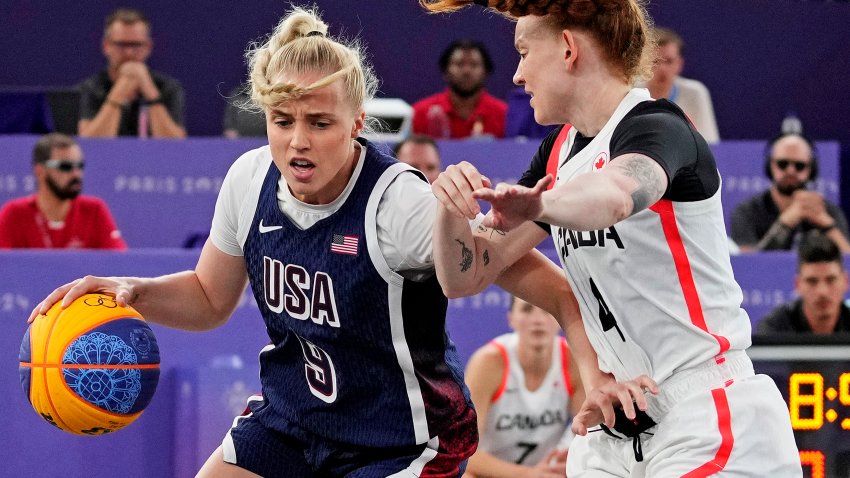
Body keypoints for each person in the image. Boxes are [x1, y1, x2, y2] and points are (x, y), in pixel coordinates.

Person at [28, 7, 600, 477]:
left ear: (356, 122)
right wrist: (135, 289)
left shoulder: (395, 202)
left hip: (399, 439)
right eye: (282, 120)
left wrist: (595, 373)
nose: (298, 141)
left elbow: (540, 281)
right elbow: (208, 298)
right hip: (294, 419)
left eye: (320, 123)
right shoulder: (249, 179)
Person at [421, 0, 802, 476]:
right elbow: (465, 276)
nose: (517, 76)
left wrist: (541, 206)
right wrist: (449, 208)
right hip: (614, 423)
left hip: (706, 408)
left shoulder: (660, 126)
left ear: (567, 48)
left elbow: (616, 195)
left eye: (523, 52)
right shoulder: (558, 153)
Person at [464, 296, 584, 478]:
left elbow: (587, 432)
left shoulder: (574, 360)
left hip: (545, 473)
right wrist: (528, 474)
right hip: (492, 473)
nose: (537, 320)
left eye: (547, 310)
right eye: (527, 309)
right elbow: (465, 452)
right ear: (511, 318)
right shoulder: (488, 362)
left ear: (560, 319)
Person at [0, 133, 127, 250]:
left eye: (80, 166)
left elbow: (119, 263)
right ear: (40, 171)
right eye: (65, 166)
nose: (76, 174)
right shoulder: (13, 213)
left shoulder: (94, 210)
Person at [731, 132, 850, 253]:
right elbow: (747, 263)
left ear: (811, 169)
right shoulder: (746, 211)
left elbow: (846, 262)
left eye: (799, 166)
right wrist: (785, 223)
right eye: (782, 164)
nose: (791, 171)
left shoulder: (827, 211)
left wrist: (826, 224)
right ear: (770, 165)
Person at [78, 8, 186, 138]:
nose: (129, 53)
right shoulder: (91, 88)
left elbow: (176, 147)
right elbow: (89, 146)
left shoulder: (168, 87)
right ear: (106, 46)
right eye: (121, 44)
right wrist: (119, 91)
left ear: (148, 47)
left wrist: (150, 91)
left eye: (136, 45)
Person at [411, 40, 507, 139]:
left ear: (485, 72)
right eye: (459, 64)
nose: (466, 71)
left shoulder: (504, 115)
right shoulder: (420, 113)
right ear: (446, 71)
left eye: (474, 65)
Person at [757, 232, 850, 335]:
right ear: (798, 285)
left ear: (845, 281)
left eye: (831, 280)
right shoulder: (774, 328)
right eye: (812, 281)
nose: (822, 291)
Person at [642, 27, 719, 144]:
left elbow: (709, 143)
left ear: (679, 64)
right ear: (643, 62)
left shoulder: (696, 92)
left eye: (669, 61)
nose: (662, 69)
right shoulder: (628, 91)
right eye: (655, 61)